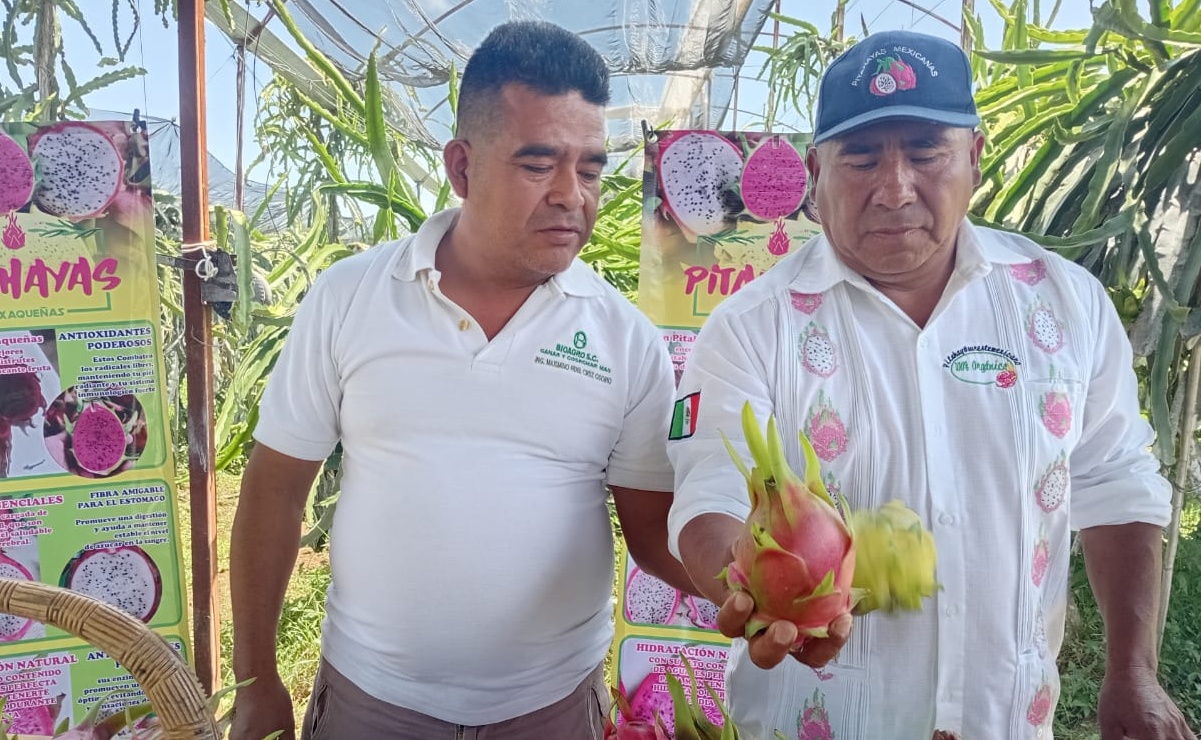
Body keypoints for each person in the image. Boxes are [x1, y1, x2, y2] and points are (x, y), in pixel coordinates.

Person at [666, 30, 1196, 740]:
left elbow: (1114, 483)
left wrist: (1131, 670)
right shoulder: (750, 326)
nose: (893, 188)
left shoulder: (1064, 305)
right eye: (859, 157)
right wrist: (748, 587)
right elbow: (709, 493)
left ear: (973, 158)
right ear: (815, 173)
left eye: (924, 153)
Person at [228, 20, 695, 740]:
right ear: (461, 165)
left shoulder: (623, 337)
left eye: (591, 168)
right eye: (539, 164)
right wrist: (258, 682)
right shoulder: (351, 296)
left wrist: (757, 580)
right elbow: (275, 488)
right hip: (371, 702)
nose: (572, 194)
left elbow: (653, 535)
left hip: (551, 709)